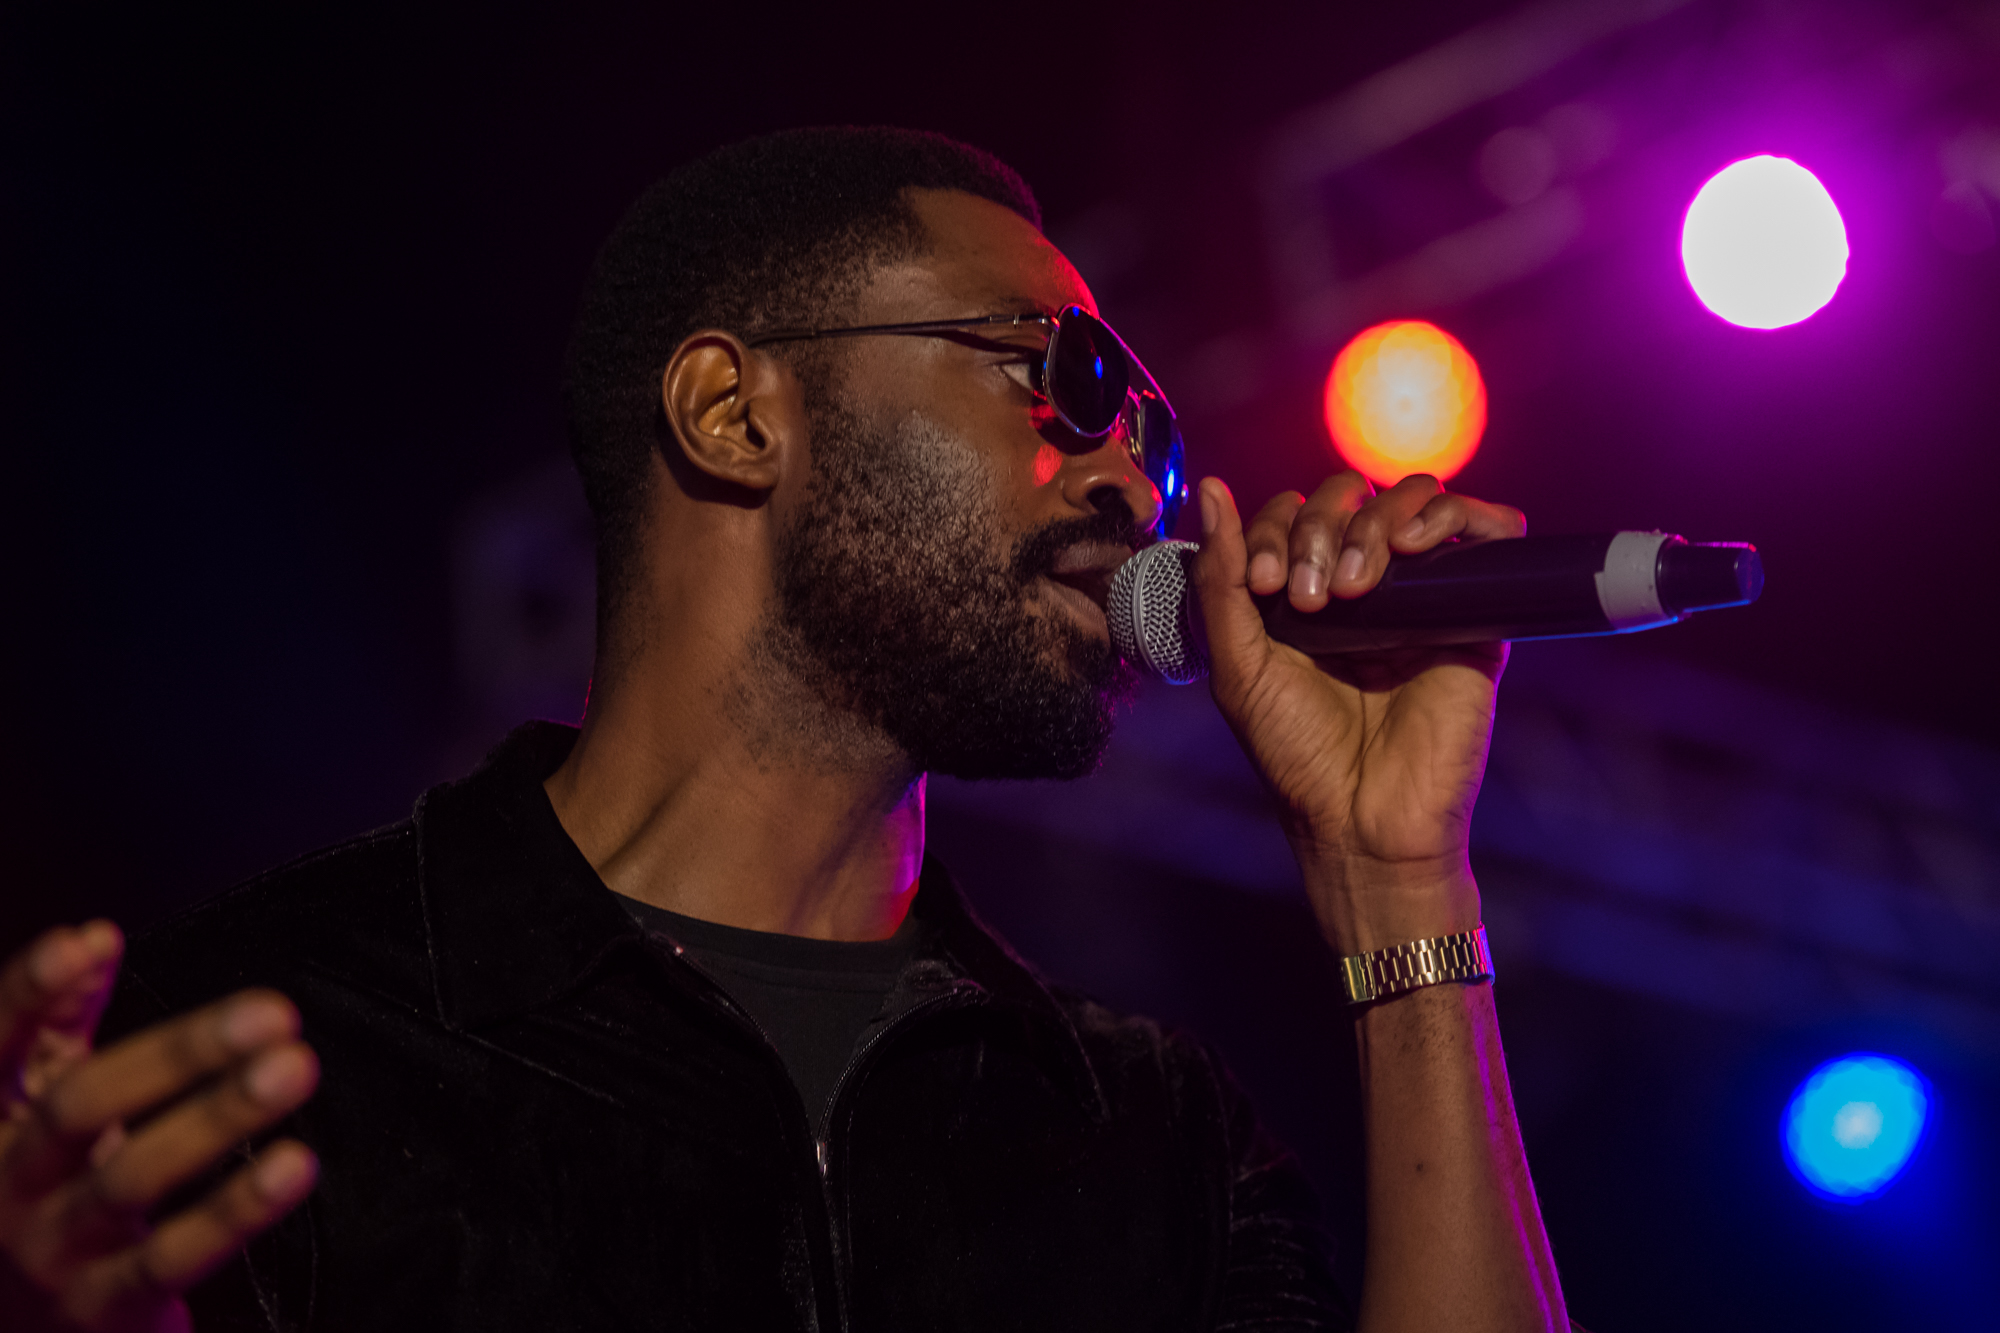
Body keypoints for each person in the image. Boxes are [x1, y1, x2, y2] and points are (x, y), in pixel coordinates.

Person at [0, 127, 1569, 1331]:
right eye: (1067, 378)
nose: (1132, 481)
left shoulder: (1146, 1136)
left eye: (1155, 437)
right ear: (731, 415)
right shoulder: (265, 1048)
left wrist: (1396, 884)